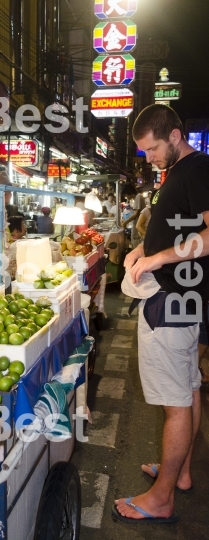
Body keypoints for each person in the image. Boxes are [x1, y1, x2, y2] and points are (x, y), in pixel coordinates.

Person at [113, 104, 209, 524]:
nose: (148, 157)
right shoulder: (179, 174)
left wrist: (156, 260)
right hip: (182, 300)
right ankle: (180, 473)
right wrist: (143, 250)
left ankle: (162, 497)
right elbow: (177, 227)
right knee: (188, 392)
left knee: (174, 403)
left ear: (173, 136)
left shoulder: (198, 168)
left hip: (172, 299)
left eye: (152, 149)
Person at [120, 183, 145, 248]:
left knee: (136, 244)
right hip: (137, 225)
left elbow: (136, 213)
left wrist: (125, 222)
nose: (126, 197)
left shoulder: (138, 196)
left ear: (129, 192)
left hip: (138, 226)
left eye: (125, 195)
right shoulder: (137, 197)